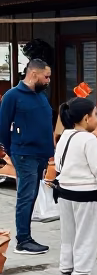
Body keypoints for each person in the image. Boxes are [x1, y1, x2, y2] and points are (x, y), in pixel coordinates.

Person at [55, 96, 97, 275]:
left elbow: (58, 164)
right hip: (85, 192)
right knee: (86, 236)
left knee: (68, 236)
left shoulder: (64, 136)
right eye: (96, 115)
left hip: (64, 191)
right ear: (86, 118)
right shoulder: (89, 139)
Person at [0, 58, 55, 254]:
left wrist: (50, 153)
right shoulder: (12, 96)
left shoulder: (40, 96)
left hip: (40, 154)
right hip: (24, 154)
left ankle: (26, 238)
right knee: (26, 195)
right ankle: (23, 240)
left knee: (32, 195)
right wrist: (10, 149)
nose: (48, 80)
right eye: (46, 76)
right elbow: (3, 126)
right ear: (34, 74)